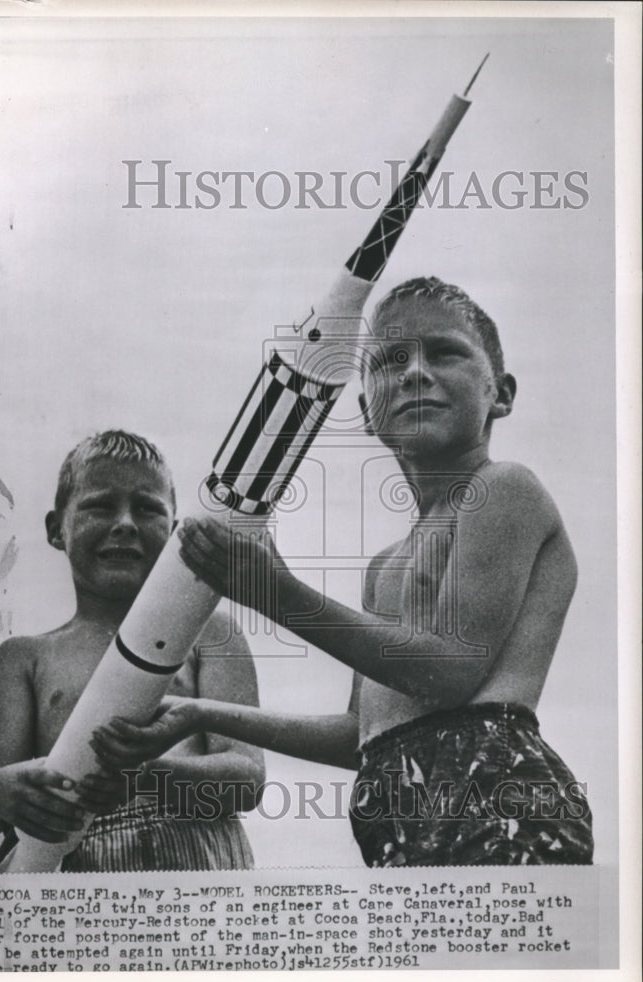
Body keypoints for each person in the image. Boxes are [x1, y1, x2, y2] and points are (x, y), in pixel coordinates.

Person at [96, 277, 594, 867]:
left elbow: (450, 671)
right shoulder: (384, 565)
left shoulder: (503, 489)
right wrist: (202, 714)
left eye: (444, 352)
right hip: (398, 820)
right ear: (364, 412)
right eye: (389, 361)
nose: (414, 373)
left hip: (495, 796)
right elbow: (365, 734)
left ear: (501, 393)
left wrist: (278, 596)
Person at [0, 430, 264, 872]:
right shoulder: (23, 658)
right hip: (76, 879)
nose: (124, 523)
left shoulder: (212, 633)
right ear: (56, 530)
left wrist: (146, 780)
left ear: (176, 531)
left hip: (203, 870)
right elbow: (0, 795)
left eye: (147, 508)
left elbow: (246, 778)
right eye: (100, 506)